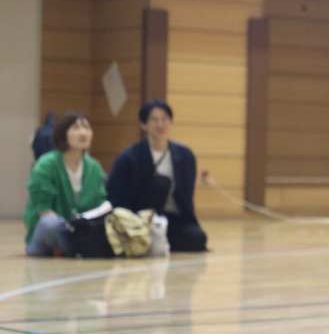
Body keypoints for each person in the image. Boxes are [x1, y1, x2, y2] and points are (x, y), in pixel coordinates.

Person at [106, 99, 208, 252]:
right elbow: (114, 193)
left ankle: (157, 241)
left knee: (197, 239)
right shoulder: (129, 157)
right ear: (143, 125)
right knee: (161, 183)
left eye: (164, 119)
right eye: (154, 120)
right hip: (140, 218)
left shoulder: (185, 156)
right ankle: (145, 238)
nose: (160, 125)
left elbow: (187, 195)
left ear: (171, 121)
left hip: (172, 217)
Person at [24, 111, 107, 257]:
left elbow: (100, 206)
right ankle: (79, 249)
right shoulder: (46, 164)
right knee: (50, 225)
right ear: (63, 133)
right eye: (76, 127)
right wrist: (71, 229)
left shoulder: (94, 167)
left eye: (86, 128)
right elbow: (44, 211)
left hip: (81, 232)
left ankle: (79, 248)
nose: (83, 132)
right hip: (50, 234)